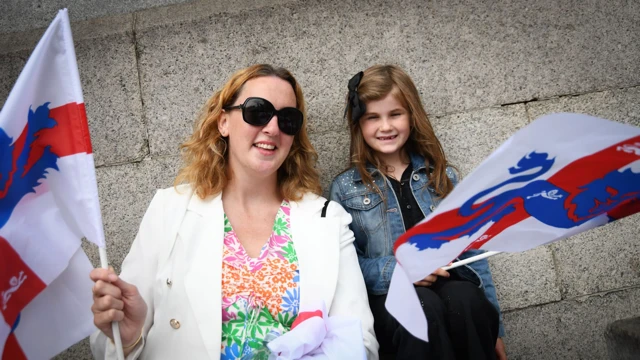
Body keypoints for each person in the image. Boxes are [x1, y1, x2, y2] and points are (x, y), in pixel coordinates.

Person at [89, 64, 379, 359]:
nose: (273, 128)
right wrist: (126, 339)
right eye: (257, 111)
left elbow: (361, 343)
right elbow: (108, 347)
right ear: (223, 122)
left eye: (288, 119)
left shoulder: (327, 219)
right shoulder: (170, 210)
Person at [329, 65, 506, 360]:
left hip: (453, 290)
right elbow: (346, 266)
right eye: (373, 117)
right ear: (359, 124)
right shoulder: (347, 188)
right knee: (421, 305)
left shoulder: (441, 176)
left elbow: (475, 252)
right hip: (390, 300)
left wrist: (496, 330)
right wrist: (398, 271)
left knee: (466, 298)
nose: (385, 126)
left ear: (412, 115)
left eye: (395, 114)